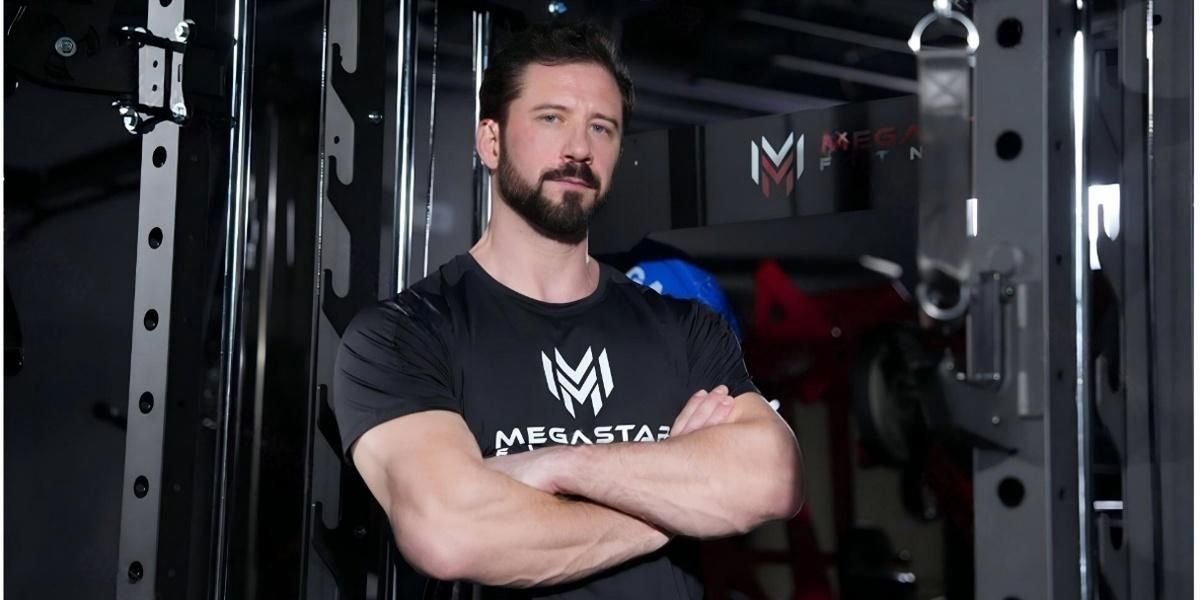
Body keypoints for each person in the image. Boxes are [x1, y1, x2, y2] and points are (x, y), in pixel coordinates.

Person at [332, 21, 804, 598]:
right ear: (491, 142)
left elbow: (774, 478)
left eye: (601, 127)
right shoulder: (401, 337)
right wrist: (680, 500)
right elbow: (451, 532)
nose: (579, 149)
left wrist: (557, 465)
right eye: (551, 118)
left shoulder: (683, 328)